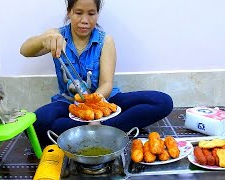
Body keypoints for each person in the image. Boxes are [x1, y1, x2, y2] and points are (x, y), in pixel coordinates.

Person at [20, 0, 173, 146]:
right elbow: (24, 51)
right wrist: (44, 39)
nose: (84, 20)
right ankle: (107, 131)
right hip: (68, 103)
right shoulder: (58, 37)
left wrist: (94, 112)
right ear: (69, 12)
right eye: (78, 13)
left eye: (91, 14)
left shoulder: (105, 40)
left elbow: (106, 84)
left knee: (162, 101)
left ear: (98, 14)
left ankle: (92, 130)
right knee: (36, 123)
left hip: (106, 101)